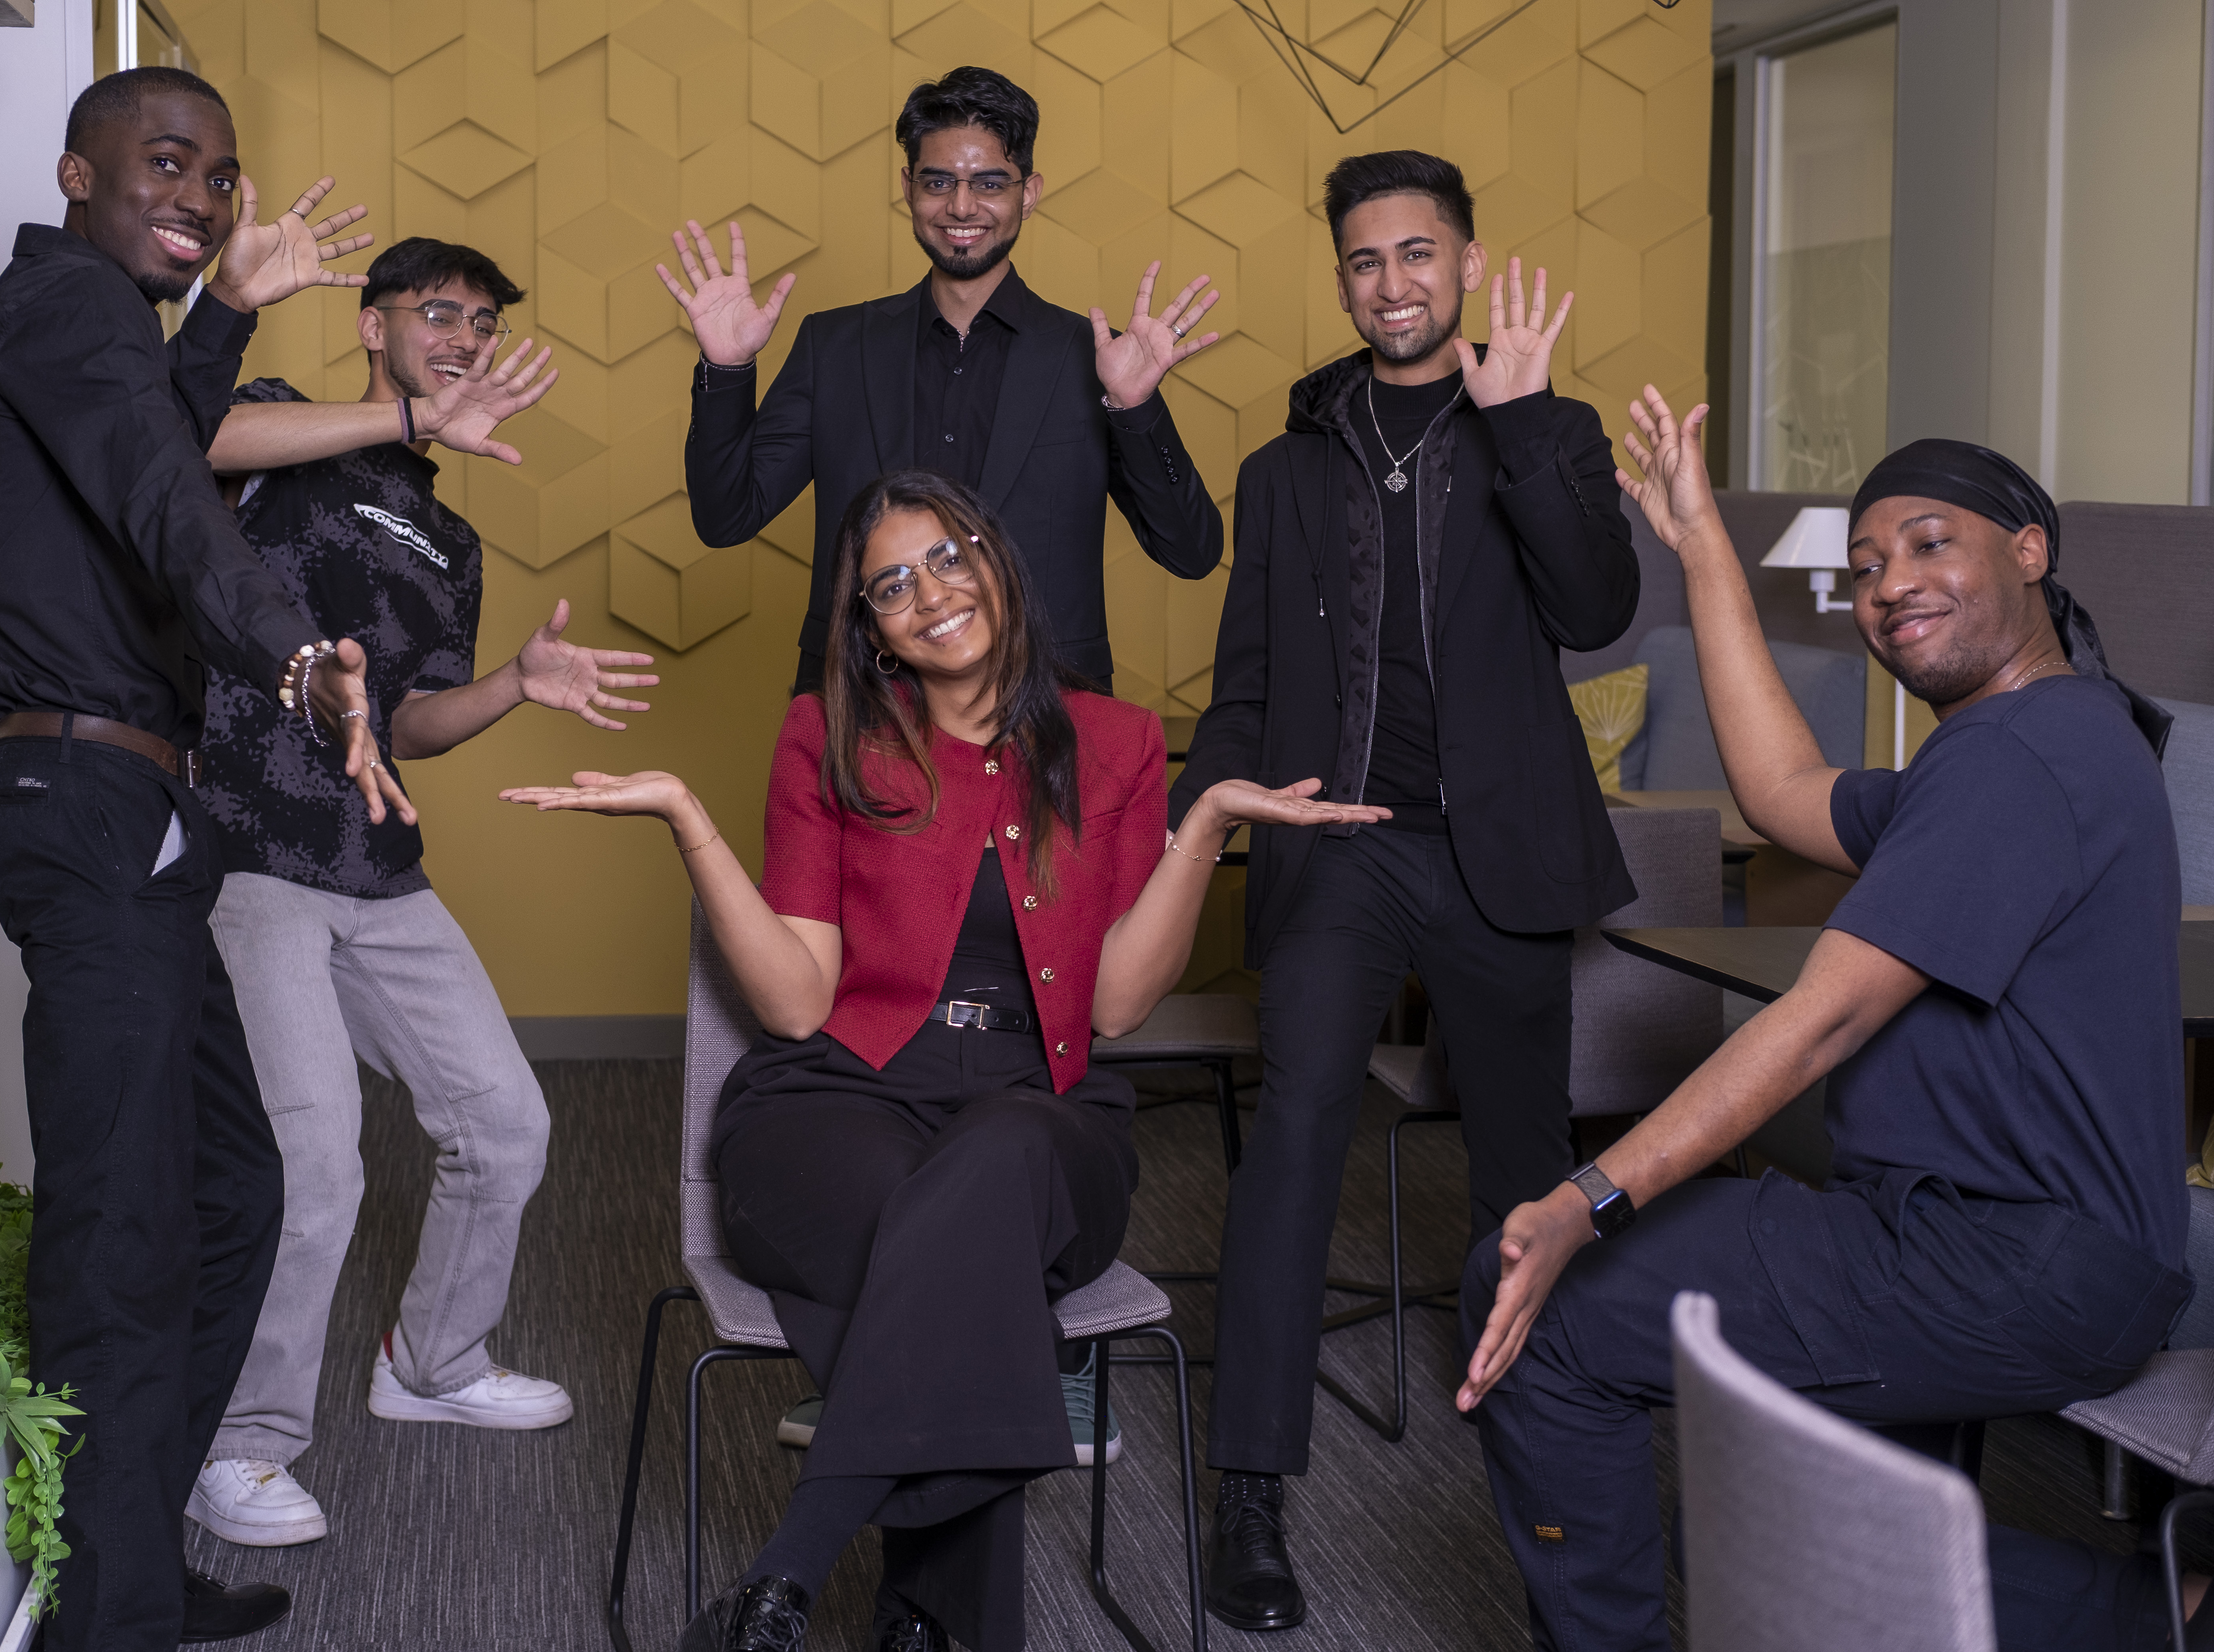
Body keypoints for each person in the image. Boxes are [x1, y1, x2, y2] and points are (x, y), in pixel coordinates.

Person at [500, 469, 1383, 1652]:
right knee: (967, 1272)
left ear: (1001, 563)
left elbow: (1117, 1005)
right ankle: (923, 1627)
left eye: (952, 556)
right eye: (892, 585)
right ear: (870, 629)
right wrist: (690, 826)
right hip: (831, 1102)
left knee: (991, 1176)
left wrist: (1204, 825)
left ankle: (785, 1581)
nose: (932, 593)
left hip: (1042, 1109)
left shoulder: (1117, 744)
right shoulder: (827, 734)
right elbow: (797, 1000)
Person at [1456, 394, 2195, 1652]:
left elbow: (1818, 1024)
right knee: (1753, 1525)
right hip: (2040, 1252)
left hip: (2000, 1261)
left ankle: (2153, 1614)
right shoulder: (2045, 742)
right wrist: (1699, 546)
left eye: (1926, 544)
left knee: (1536, 1311)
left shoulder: (2016, 756)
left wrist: (1583, 1201)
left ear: (2031, 551)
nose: (1889, 585)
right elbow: (1785, 791)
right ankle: (2168, 1610)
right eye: (1865, 570)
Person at [0, 66, 402, 1651]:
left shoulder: (103, 336)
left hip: (127, 813)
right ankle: (109, 1616)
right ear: (78, 172)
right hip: (79, 797)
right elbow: (166, 502)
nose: (202, 192)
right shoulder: (63, 308)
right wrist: (292, 655)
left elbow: (144, 441)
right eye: (167, 161)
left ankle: (127, 1559)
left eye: (220, 172)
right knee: (125, 1225)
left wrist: (217, 321)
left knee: (227, 1186)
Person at [1166, 148, 1639, 1631]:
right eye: (1367, 261)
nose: (1394, 284)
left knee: (1521, 1169)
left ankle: (1542, 1441)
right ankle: (1252, 1489)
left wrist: (1516, 435)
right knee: (1297, 1126)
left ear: (1470, 264)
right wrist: (1212, 822)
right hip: (1342, 843)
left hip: (1498, 853)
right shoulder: (1288, 464)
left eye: (1419, 255)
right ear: (1345, 277)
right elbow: (1245, 685)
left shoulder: (1545, 426)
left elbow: (1599, 610)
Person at [176, 237, 657, 1548]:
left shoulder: (446, 538)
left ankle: (432, 1364)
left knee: (505, 1122)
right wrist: (401, 417)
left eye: (483, 326)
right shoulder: (277, 427)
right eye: (436, 313)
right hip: (255, 855)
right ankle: (242, 1442)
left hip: (379, 868)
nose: (462, 338)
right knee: (312, 1160)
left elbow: (418, 721)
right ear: (375, 327)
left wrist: (514, 686)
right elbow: (189, 440)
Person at [660, 64, 1226, 695]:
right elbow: (726, 517)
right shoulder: (835, 347)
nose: (961, 206)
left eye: (989, 183)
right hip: (863, 710)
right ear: (908, 188)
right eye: (938, 182)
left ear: (1029, 193)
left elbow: (1193, 553)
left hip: (1044, 713)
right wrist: (728, 369)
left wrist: (1135, 409)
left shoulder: (1095, 359)